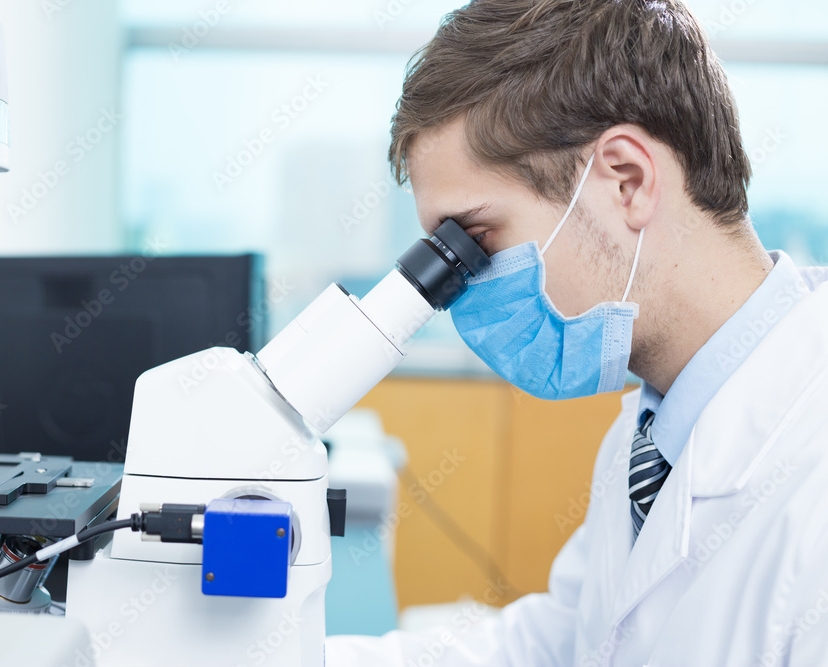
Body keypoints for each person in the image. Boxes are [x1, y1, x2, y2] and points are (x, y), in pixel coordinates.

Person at [326, 1, 828, 665]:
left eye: (475, 240)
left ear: (627, 180)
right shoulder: (651, 432)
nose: (458, 293)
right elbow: (569, 641)